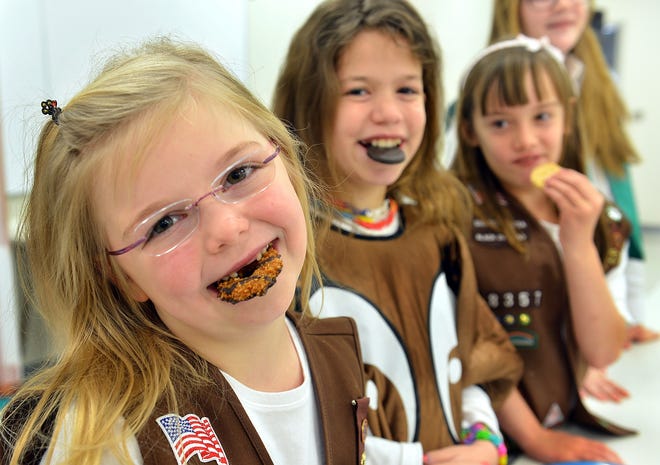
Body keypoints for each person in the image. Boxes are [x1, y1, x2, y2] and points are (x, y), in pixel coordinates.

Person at [0, 37, 371, 465]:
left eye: (239, 173)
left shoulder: (340, 351)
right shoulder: (108, 439)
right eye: (164, 223)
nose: (227, 229)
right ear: (122, 276)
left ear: (285, 159)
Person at [273, 1, 523, 464]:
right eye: (358, 91)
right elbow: (290, 417)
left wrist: (486, 443)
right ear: (309, 100)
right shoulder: (288, 255)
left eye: (408, 89)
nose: (389, 114)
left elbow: (471, 363)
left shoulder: (437, 235)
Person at [451, 34, 635, 464]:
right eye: (500, 122)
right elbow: (467, 343)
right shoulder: (451, 215)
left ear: (568, 118)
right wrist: (533, 438)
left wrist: (577, 244)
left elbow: (603, 351)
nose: (526, 139)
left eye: (542, 116)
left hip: (563, 421)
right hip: (482, 432)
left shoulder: (598, 217)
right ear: (469, 130)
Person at [490, 0, 657, 347]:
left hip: (599, 300)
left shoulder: (600, 85)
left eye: (544, 116)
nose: (563, 4)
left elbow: (618, 205)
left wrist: (627, 312)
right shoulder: (481, 92)